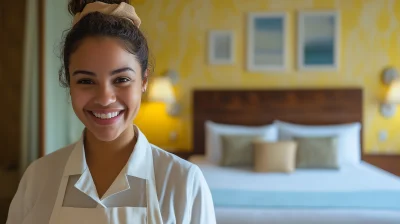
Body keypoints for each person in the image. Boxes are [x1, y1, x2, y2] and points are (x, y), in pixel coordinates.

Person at [6, 0, 216, 223]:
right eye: (86, 80)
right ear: (69, 84)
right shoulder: (38, 177)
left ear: (144, 80)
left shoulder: (184, 182)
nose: (105, 99)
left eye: (122, 79)